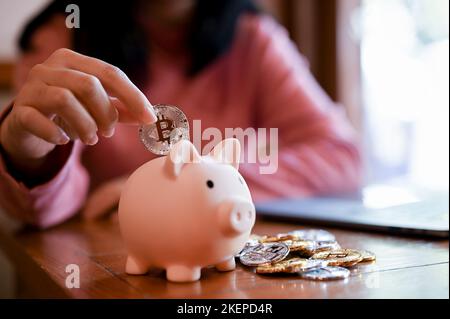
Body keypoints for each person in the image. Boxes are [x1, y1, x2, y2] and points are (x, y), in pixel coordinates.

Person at [0, 0, 361, 228]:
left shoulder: (254, 38)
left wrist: (188, 185)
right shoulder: (65, 36)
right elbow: (38, 213)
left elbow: (340, 158)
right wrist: (30, 157)